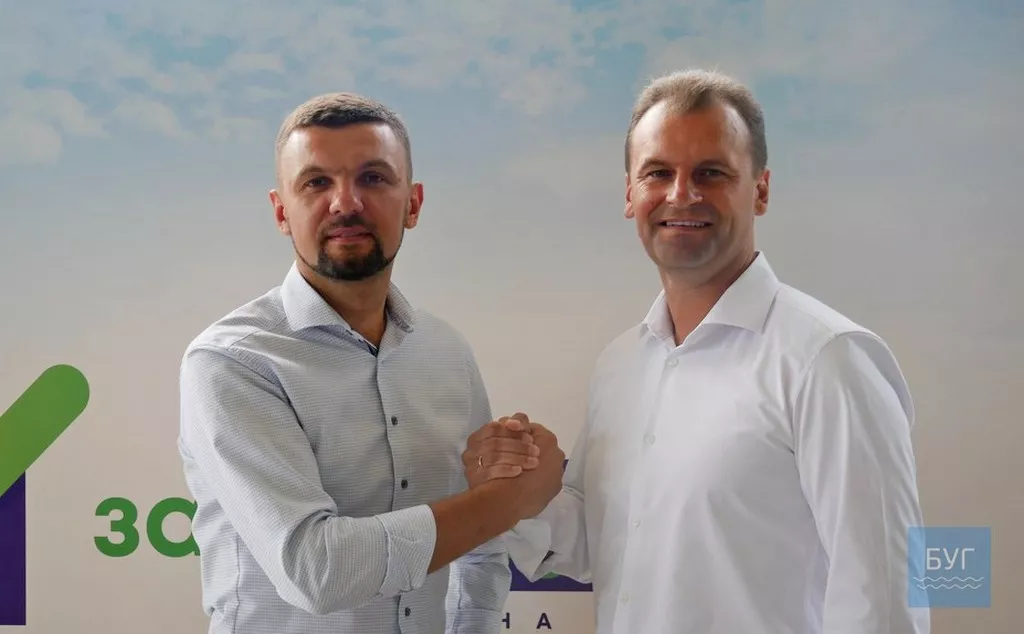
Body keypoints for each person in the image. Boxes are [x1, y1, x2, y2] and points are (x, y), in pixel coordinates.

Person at [465, 69, 931, 633]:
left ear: (760, 190)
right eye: (658, 173)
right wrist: (518, 491)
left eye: (711, 173)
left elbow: (882, 604)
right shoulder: (621, 364)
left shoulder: (829, 360)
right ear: (630, 193)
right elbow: (599, 545)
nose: (681, 194)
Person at [177, 92, 565, 634]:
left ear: (413, 203)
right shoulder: (233, 363)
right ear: (282, 210)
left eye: (373, 178)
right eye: (316, 182)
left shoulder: (446, 353)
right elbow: (316, 570)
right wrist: (511, 500)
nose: (345, 202)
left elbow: (481, 549)